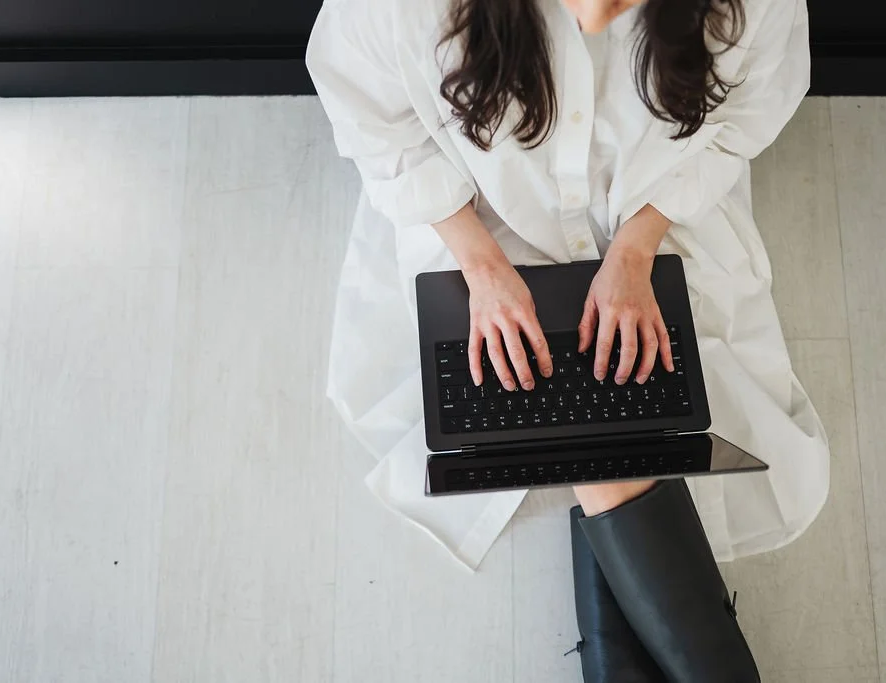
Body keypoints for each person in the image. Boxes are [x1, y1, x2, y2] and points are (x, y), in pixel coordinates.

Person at [307, 0, 829, 676]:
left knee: (600, 386)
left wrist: (637, 250)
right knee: (565, 380)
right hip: (484, 204)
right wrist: (484, 268)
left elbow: (749, 108)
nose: (596, 13)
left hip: (648, 193)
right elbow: (368, 111)